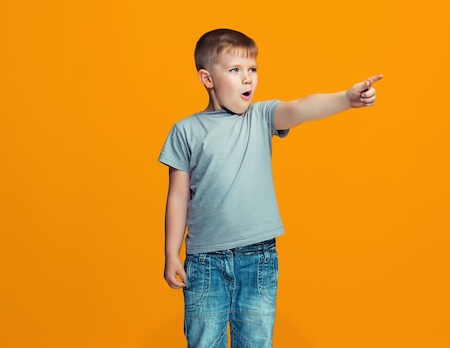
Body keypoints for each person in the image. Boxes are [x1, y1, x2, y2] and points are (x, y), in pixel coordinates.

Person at [159, 28, 382, 348]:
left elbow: (302, 108)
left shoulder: (262, 116)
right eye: (235, 70)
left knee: (256, 342)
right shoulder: (185, 131)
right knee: (204, 342)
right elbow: (178, 197)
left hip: (258, 258)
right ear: (207, 78)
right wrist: (171, 252)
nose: (247, 78)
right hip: (205, 262)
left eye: (252, 69)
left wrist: (345, 99)